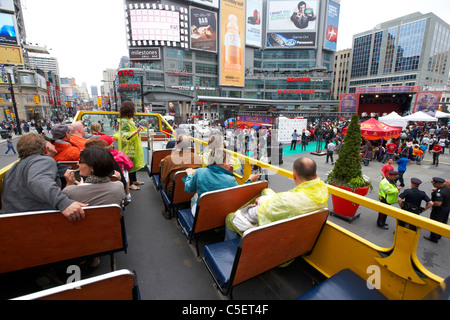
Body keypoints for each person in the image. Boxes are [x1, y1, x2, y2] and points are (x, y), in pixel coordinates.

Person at [225, 157, 329, 240]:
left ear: (294, 175)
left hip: (273, 241)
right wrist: (263, 201)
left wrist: (251, 207)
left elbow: (255, 214)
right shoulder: (322, 195)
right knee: (266, 191)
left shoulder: (284, 201)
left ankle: (230, 248)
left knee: (230, 217)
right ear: (315, 176)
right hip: (298, 238)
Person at [0, 133, 87, 221]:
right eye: (50, 143)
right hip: (34, 221)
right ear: (46, 148)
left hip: (9, 221)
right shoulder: (43, 160)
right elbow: (38, 181)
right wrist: (63, 202)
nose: (53, 145)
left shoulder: (14, 167)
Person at [183, 149, 260, 216]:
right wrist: (250, 181)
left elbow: (188, 189)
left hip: (201, 215)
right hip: (221, 214)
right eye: (228, 161)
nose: (231, 163)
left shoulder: (199, 172)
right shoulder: (230, 180)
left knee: (194, 197)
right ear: (219, 163)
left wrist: (189, 175)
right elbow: (240, 194)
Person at [160, 134, 202, 219]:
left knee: (161, 184)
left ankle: (167, 211)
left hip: (173, 193)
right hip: (193, 191)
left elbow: (164, 179)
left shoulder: (168, 160)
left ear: (176, 144)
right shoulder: (197, 157)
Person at [116, 100, 145, 190]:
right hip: (128, 147)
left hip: (133, 145)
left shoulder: (129, 120)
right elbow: (125, 135)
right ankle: (130, 183)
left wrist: (137, 130)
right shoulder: (124, 121)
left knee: (133, 162)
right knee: (129, 164)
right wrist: (136, 131)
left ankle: (134, 179)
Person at [423, 177, 450, 243]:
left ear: (438, 183)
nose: (433, 184)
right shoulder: (446, 188)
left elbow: (438, 203)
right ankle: (439, 234)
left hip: (439, 210)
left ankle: (433, 237)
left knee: (435, 221)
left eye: (434, 183)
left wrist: (431, 203)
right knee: (443, 221)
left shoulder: (439, 192)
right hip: (446, 207)